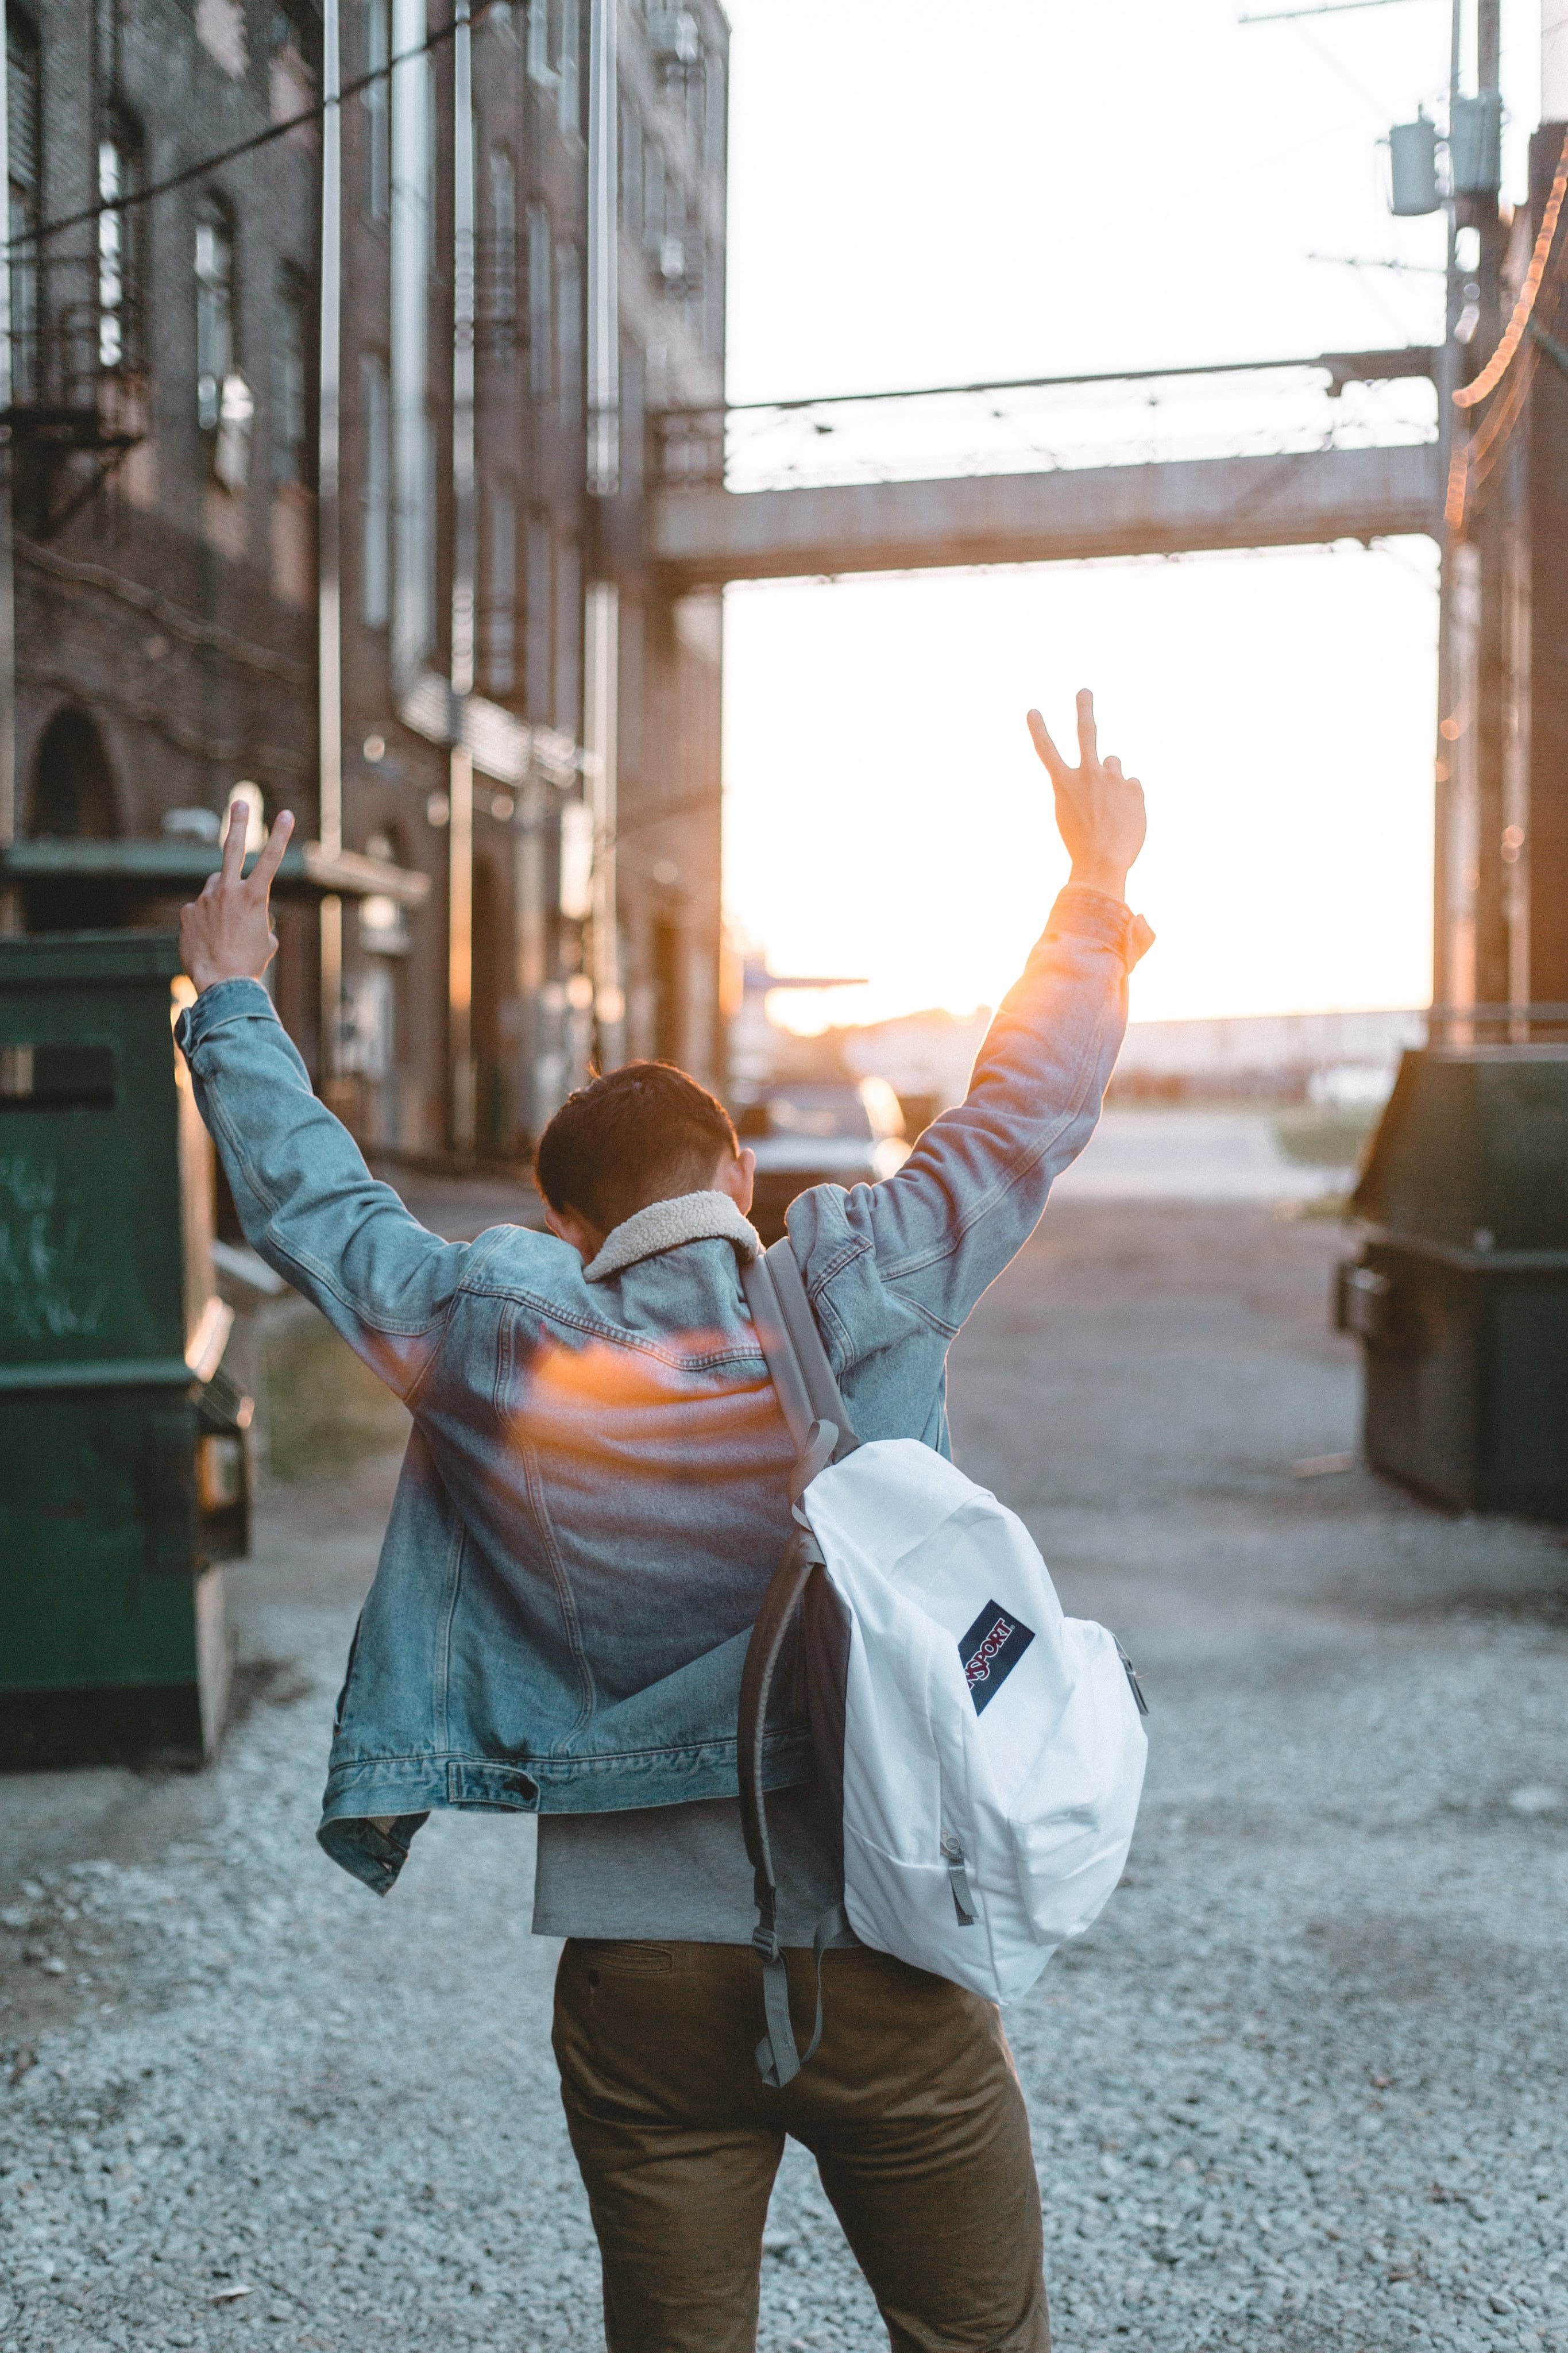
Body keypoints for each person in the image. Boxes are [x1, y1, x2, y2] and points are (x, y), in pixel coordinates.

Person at [177, 688, 1150, 2353]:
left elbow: (317, 1209)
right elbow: (1014, 1124)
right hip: (887, 1947)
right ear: (737, 1176)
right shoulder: (858, 1283)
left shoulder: (497, 1333)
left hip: (636, 1973)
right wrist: (1090, 894)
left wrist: (231, 996)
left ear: (563, 1216)